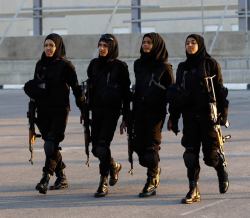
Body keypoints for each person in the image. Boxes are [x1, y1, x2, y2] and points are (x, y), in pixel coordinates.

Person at [167, 34, 229, 204]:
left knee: (210, 157)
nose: (190, 45)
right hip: (189, 117)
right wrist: (173, 117)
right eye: (187, 43)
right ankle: (193, 189)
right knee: (190, 155)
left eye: (193, 42)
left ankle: (220, 166)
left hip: (208, 117)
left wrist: (224, 112)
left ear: (200, 45)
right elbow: (177, 93)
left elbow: (220, 90)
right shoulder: (182, 67)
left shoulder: (210, 64)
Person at [24, 33, 84, 194]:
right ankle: (62, 176)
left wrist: (84, 109)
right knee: (51, 147)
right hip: (42, 112)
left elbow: (77, 89)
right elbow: (35, 88)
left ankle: (45, 177)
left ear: (57, 46)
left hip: (59, 111)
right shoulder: (40, 64)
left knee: (50, 144)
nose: (48, 48)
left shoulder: (66, 66)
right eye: (46, 45)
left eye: (51, 45)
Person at [86, 33, 131, 197]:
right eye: (100, 45)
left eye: (105, 46)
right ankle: (113, 166)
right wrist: (85, 111)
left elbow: (126, 95)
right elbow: (89, 90)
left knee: (103, 146)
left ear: (112, 48)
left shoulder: (120, 67)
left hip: (112, 113)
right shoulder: (93, 65)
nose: (102, 48)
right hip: (96, 112)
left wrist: (126, 117)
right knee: (96, 150)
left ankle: (103, 180)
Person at [132, 32, 174, 197]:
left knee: (151, 148)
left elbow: (172, 93)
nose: (146, 45)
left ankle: (152, 179)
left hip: (156, 113)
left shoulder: (165, 68)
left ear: (156, 45)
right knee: (137, 147)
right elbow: (137, 89)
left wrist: (173, 116)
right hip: (139, 111)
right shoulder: (138, 64)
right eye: (144, 42)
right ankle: (154, 166)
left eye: (149, 42)